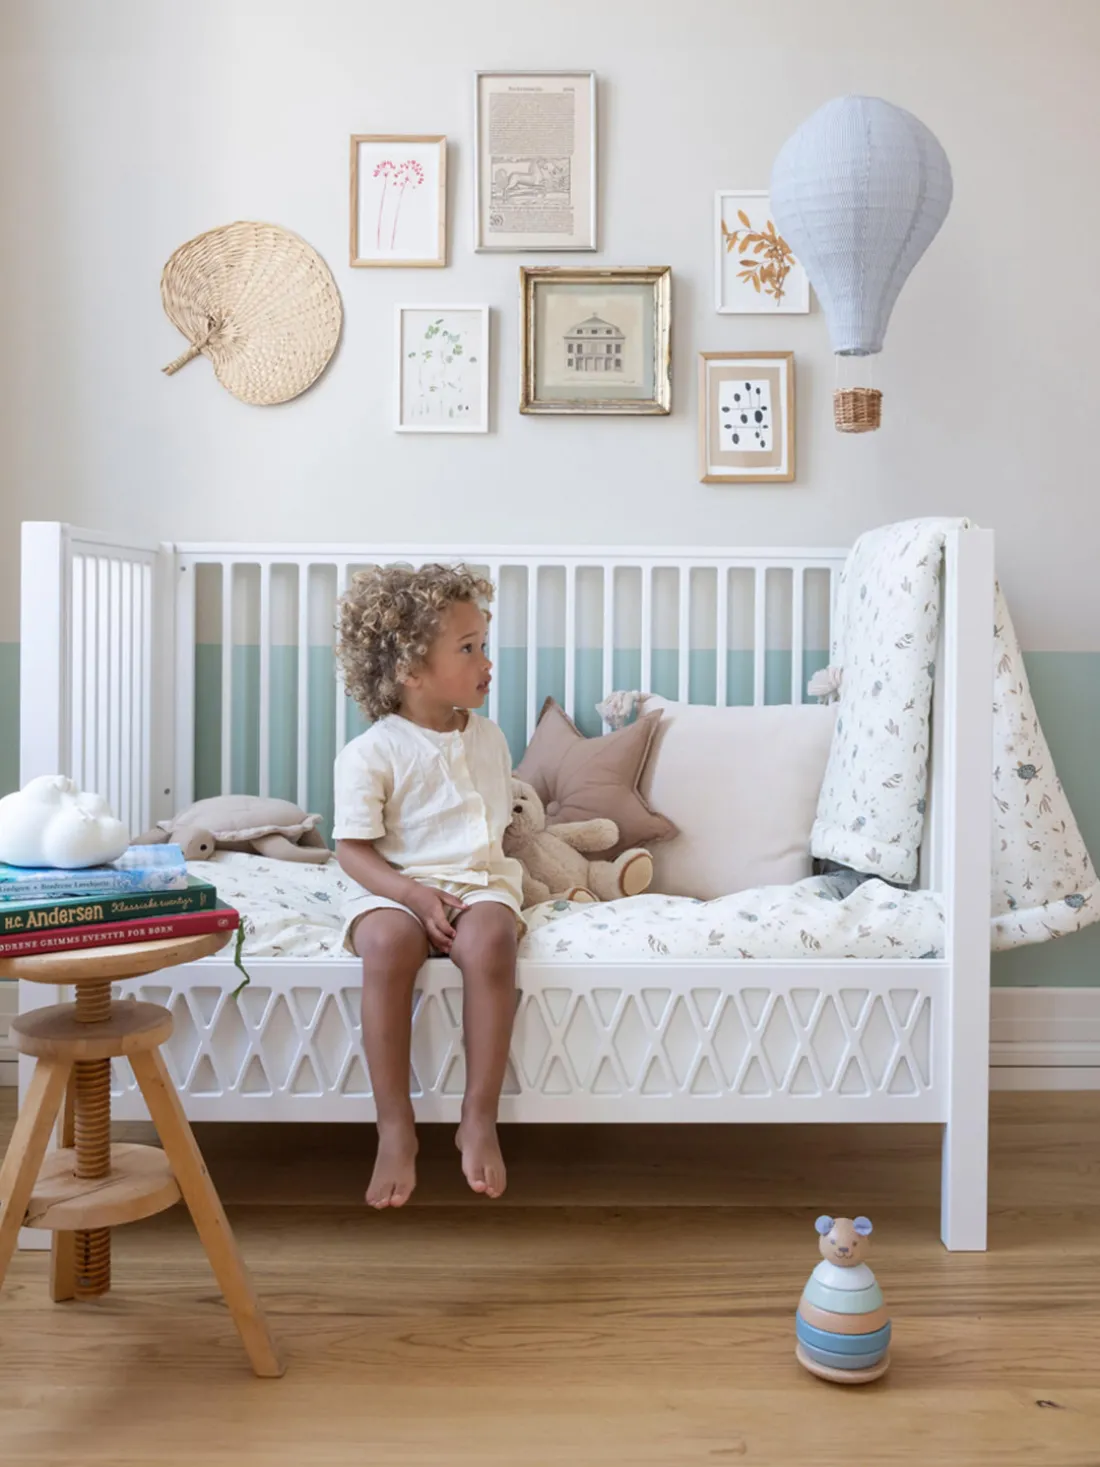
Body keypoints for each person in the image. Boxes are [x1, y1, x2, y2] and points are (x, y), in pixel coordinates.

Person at [333, 564, 523, 1210]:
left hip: (476, 882)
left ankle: (479, 1117)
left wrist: (469, 897)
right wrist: (413, 896)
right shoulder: (373, 752)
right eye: (468, 649)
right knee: (387, 944)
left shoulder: (490, 739)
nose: (487, 662)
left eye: (484, 644)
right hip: (394, 885)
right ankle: (395, 1127)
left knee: (492, 938)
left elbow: (498, 835)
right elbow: (351, 850)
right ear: (411, 671)